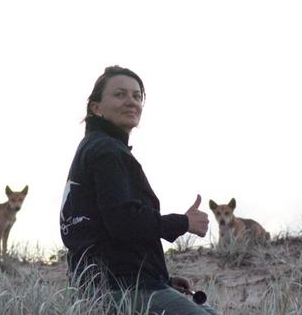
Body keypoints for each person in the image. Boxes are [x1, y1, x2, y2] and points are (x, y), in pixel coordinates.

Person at [60, 66, 220, 315]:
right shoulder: (107, 152)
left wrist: (161, 280)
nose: (131, 102)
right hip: (117, 288)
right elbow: (124, 222)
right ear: (96, 107)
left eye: (137, 96)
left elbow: (108, 229)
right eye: (120, 94)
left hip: (114, 284)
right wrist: (183, 222)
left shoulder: (97, 148)